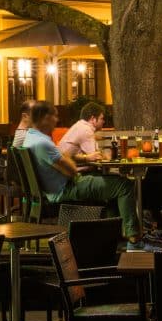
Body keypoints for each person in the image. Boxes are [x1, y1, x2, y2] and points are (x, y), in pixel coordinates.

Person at [21, 102, 139, 243]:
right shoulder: (43, 143)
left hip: (53, 190)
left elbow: (65, 157)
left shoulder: (30, 138)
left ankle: (113, 235)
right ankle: (134, 239)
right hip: (65, 189)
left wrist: (66, 155)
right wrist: (66, 157)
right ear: (45, 118)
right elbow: (71, 171)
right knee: (123, 185)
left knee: (113, 183)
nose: (57, 120)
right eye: (54, 116)